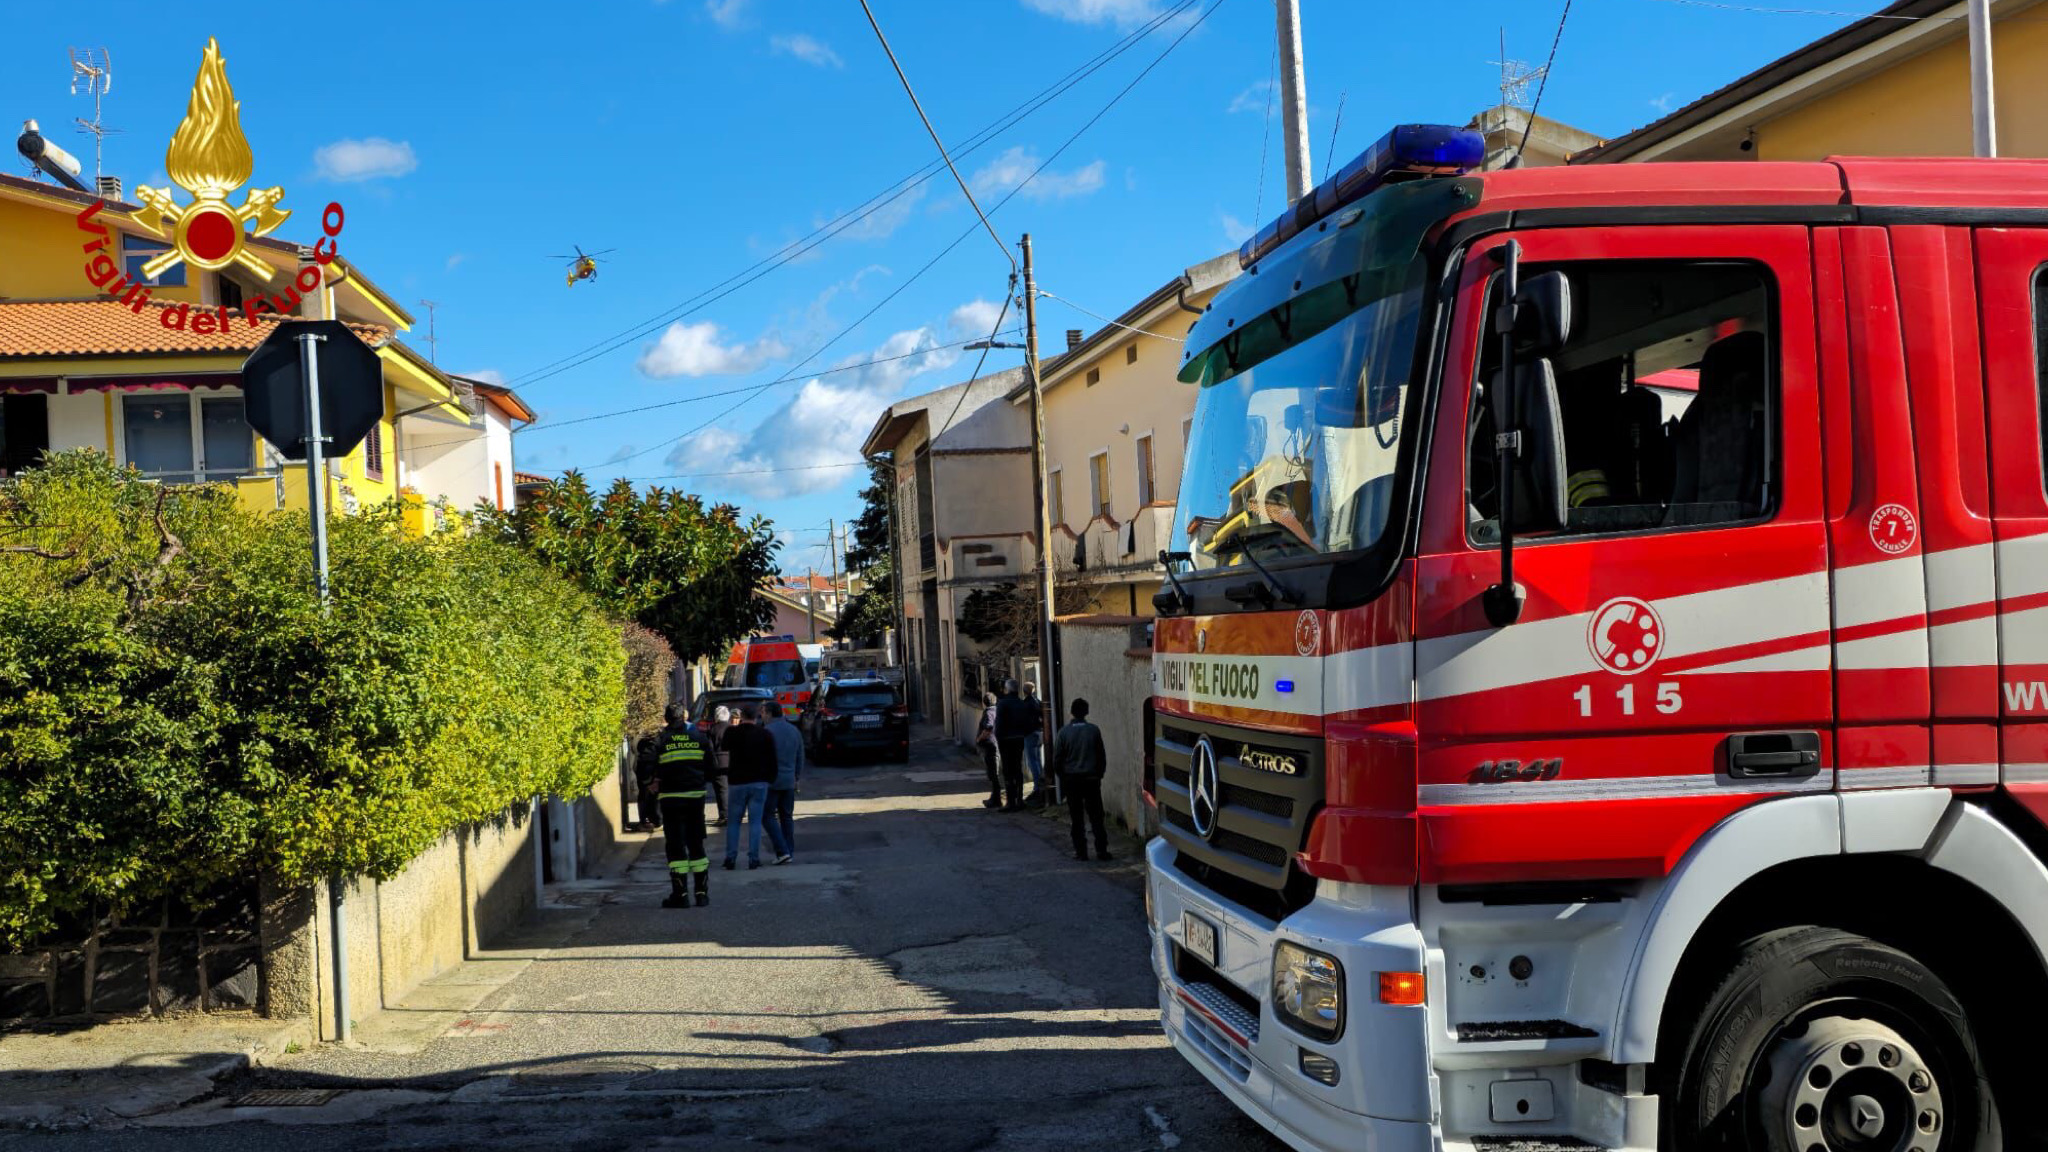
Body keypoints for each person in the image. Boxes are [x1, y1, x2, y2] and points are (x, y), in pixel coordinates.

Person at [651, 705, 712, 907]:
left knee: (676, 845)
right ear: (684, 718)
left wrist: (650, 782)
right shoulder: (699, 738)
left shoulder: (661, 739)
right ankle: (702, 894)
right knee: (696, 843)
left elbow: (646, 763)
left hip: (671, 799)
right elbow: (712, 768)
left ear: (666, 719)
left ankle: (681, 895)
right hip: (695, 798)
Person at [1049, 697, 1111, 862]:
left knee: (1076, 818)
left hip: (1072, 780)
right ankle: (1102, 850)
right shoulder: (1093, 731)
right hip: (1091, 779)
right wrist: (1099, 774)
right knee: (1097, 816)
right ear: (1086, 712)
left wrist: (1063, 777)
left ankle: (1081, 851)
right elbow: (1101, 756)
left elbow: (1057, 759)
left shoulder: (1064, 732)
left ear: (1072, 712)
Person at [720, 705, 780, 870]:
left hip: (737, 782)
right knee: (755, 822)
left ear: (741, 716)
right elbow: (773, 759)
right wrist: (770, 778)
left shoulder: (732, 732)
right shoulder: (765, 734)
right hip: (759, 782)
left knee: (734, 822)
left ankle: (730, 857)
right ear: (756, 717)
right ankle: (753, 858)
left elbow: (723, 746)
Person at [762, 701, 803, 865]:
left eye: (764, 712)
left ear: (771, 714)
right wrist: (796, 777)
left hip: (771, 781)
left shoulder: (767, 732)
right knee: (787, 816)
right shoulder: (794, 730)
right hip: (789, 781)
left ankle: (782, 850)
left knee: (767, 815)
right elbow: (800, 757)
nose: (762, 716)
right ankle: (789, 851)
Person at [994, 678, 1035, 812]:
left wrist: (998, 737)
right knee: (1017, 768)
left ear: (1007, 689)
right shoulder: (1021, 703)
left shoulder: (1003, 703)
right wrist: (1023, 734)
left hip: (1006, 740)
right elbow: (1028, 723)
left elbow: (999, 724)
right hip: (1018, 739)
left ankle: (1011, 802)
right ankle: (1019, 799)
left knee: (1008, 770)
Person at [1019, 682, 1049, 808]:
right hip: (1039, 733)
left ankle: (1038, 787)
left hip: (1030, 734)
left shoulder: (1026, 704)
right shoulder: (1038, 701)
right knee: (1038, 760)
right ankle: (1041, 784)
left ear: (1024, 691)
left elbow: (1024, 720)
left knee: (1033, 762)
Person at [707, 705, 733, 826]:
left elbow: (709, 749)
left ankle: (724, 816)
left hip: (718, 762)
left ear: (716, 717)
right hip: (732, 762)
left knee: (721, 791)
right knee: (731, 789)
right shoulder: (732, 728)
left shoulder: (712, 729)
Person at [632, 734, 663, 832]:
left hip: (646, 769)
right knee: (650, 794)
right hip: (648, 769)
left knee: (648, 794)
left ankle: (650, 821)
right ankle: (652, 821)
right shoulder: (654, 739)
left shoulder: (643, 739)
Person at [976, 691, 1001, 809]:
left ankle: (996, 799)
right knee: (993, 772)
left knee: (993, 773)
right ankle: (995, 797)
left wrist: (979, 738)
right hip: (996, 743)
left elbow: (989, 727)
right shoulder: (997, 710)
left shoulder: (989, 713)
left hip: (990, 745)